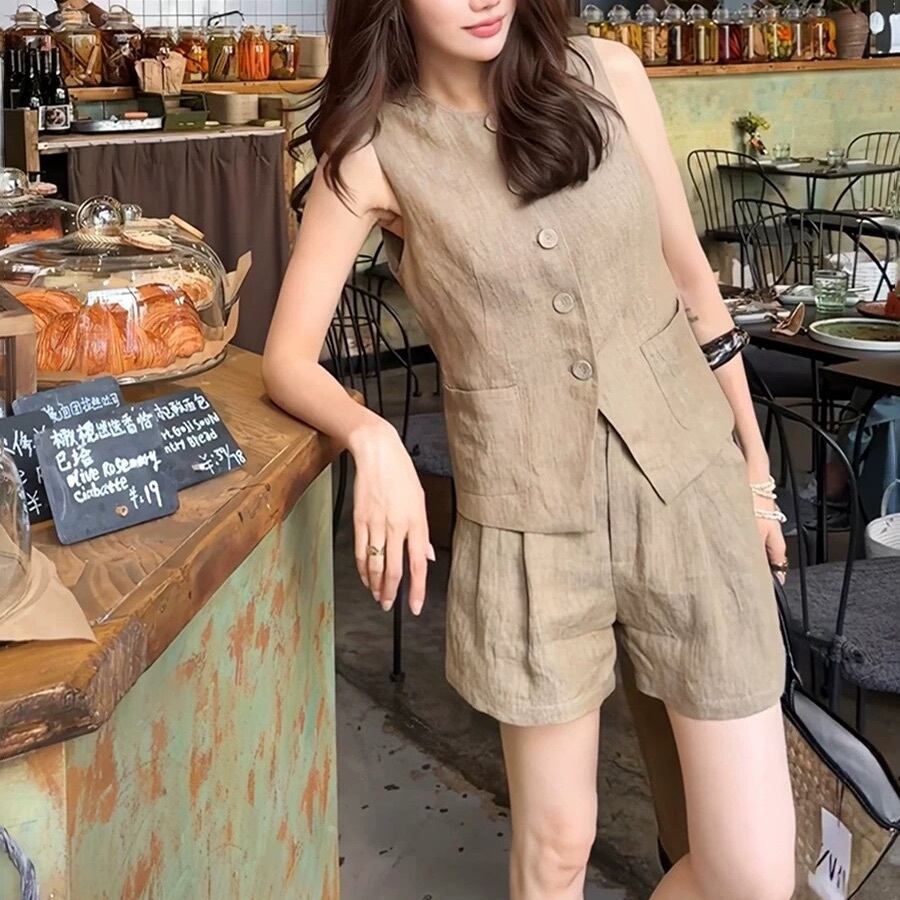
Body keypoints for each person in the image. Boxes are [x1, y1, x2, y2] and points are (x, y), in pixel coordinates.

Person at [263, 2, 796, 897]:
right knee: (556, 851)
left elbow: (694, 286)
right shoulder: (375, 153)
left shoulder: (607, 76)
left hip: (690, 484)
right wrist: (372, 436)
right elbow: (287, 356)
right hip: (528, 518)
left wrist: (755, 474)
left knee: (752, 874)